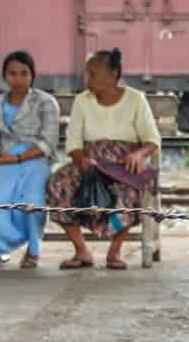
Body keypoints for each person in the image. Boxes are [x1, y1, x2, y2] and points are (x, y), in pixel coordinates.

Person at [44, 48, 161, 270]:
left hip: (123, 164)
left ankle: (114, 252)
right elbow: (73, 143)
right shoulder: (82, 101)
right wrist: (82, 160)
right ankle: (81, 250)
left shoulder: (136, 100)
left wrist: (139, 154)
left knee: (129, 193)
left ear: (113, 75)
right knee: (56, 184)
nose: (87, 78)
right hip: (89, 162)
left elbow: (152, 139)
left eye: (93, 73)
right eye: (87, 73)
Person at [0, 50, 60, 270]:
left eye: (24, 73)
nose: (18, 79)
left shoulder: (46, 102)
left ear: (32, 75)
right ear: (4, 76)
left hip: (35, 160)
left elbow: (48, 143)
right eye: (12, 74)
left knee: (31, 200)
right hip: (4, 161)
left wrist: (18, 157)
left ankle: (33, 250)